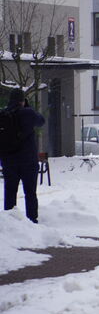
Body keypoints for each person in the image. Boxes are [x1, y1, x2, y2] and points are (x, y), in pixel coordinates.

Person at [1, 88, 45, 223]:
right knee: (30, 192)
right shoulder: (28, 113)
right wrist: (28, 108)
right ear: (22, 100)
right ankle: (32, 220)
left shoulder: (3, 114)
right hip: (28, 161)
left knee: (10, 192)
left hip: (9, 160)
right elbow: (41, 121)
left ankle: (10, 221)